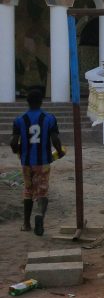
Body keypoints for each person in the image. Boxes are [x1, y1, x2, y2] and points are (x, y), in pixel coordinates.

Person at [10, 89, 65, 235]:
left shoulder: (19, 120)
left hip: (26, 161)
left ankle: (26, 224)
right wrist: (59, 152)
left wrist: (17, 151)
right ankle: (40, 215)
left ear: (27, 102)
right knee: (42, 191)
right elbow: (55, 139)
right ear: (41, 102)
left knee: (28, 190)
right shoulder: (49, 118)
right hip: (43, 161)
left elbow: (14, 143)